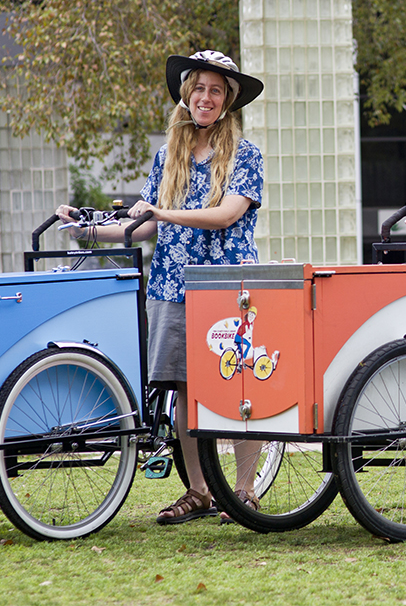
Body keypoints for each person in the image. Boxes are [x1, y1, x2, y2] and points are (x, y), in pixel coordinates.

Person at [56, 49, 265, 525]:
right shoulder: (166, 156)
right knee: (186, 390)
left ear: (228, 100)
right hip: (172, 286)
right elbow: (142, 226)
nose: (205, 97)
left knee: (240, 387)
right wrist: (84, 227)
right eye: (198, 88)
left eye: (215, 90)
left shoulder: (245, 155)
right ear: (186, 96)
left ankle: (245, 491)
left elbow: (226, 215)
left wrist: (162, 213)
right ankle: (199, 492)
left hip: (227, 286)